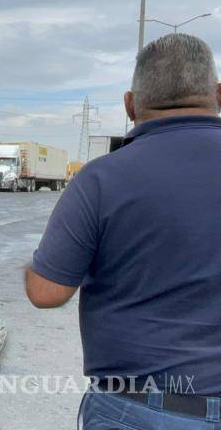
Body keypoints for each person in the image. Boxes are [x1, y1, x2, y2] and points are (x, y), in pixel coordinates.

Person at [26, 33, 221, 429]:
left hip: (137, 407)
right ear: (218, 94)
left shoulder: (102, 178)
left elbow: (46, 292)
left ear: (130, 105)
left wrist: (30, 267)